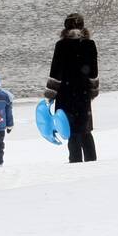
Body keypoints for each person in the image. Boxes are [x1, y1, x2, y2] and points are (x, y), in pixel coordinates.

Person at [45, 13, 100, 163]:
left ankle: (75, 162)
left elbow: (55, 73)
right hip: (83, 93)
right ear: (82, 26)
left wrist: (50, 95)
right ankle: (91, 161)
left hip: (65, 94)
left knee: (71, 130)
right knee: (85, 130)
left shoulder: (61, 45)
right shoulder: (90, 44)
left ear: (66, 27)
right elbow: (93, 72)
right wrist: (92, 91)